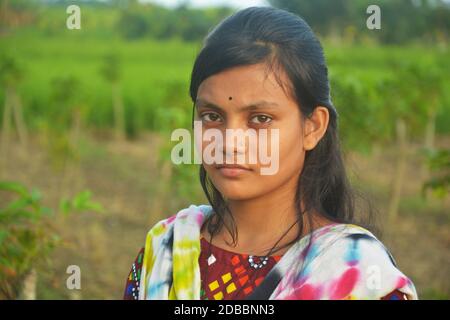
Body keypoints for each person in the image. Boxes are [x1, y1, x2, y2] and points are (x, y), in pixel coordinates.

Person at [124, 6, 418, 300]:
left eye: (260, 119)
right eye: (211, 115)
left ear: (312, 127)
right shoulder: (165, 252)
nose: (230, 142)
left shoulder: (356, 275)